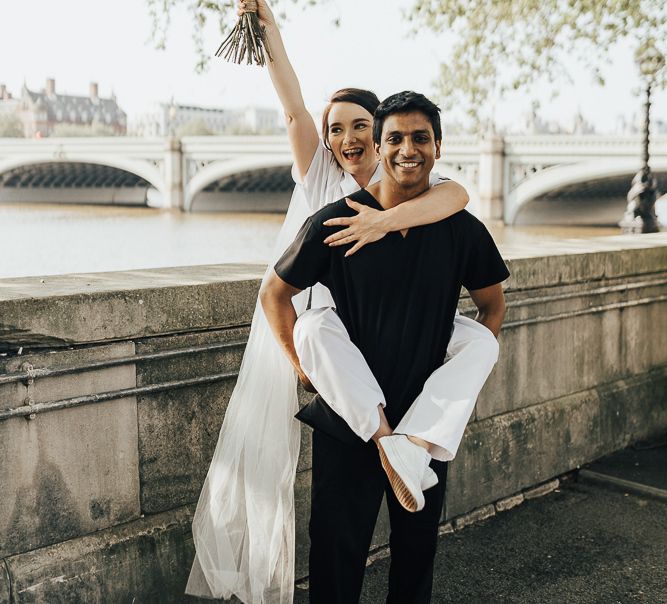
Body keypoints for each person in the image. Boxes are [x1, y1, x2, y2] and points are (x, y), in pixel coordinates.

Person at [185, 0, 486, 601]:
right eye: (335, 129)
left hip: (400, 347)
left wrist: (380, 223)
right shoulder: (320, 180)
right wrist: (264, 23)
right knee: (318, 512)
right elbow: (293, 101)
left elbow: (456, 194)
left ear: (383, 135)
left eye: (359, 127)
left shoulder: (409, 182)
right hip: (326, 339)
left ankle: (405, 445)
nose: (346, 137)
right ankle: (381, 448)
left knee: (476, 341)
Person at [261, 91, 510, 603]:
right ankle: (388, 441)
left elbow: (493, 307)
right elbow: (275, 296)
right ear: (379, 145)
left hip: (422, 424)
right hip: (350, 419)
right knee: (335, 553)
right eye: (394, 138)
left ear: (438, 147)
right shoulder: (335, 219)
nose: (407, 149)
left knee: (416, 554)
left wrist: (452, 388)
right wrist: (300, 366)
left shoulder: (462, 230)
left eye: (421, 138)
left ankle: (407, 445)